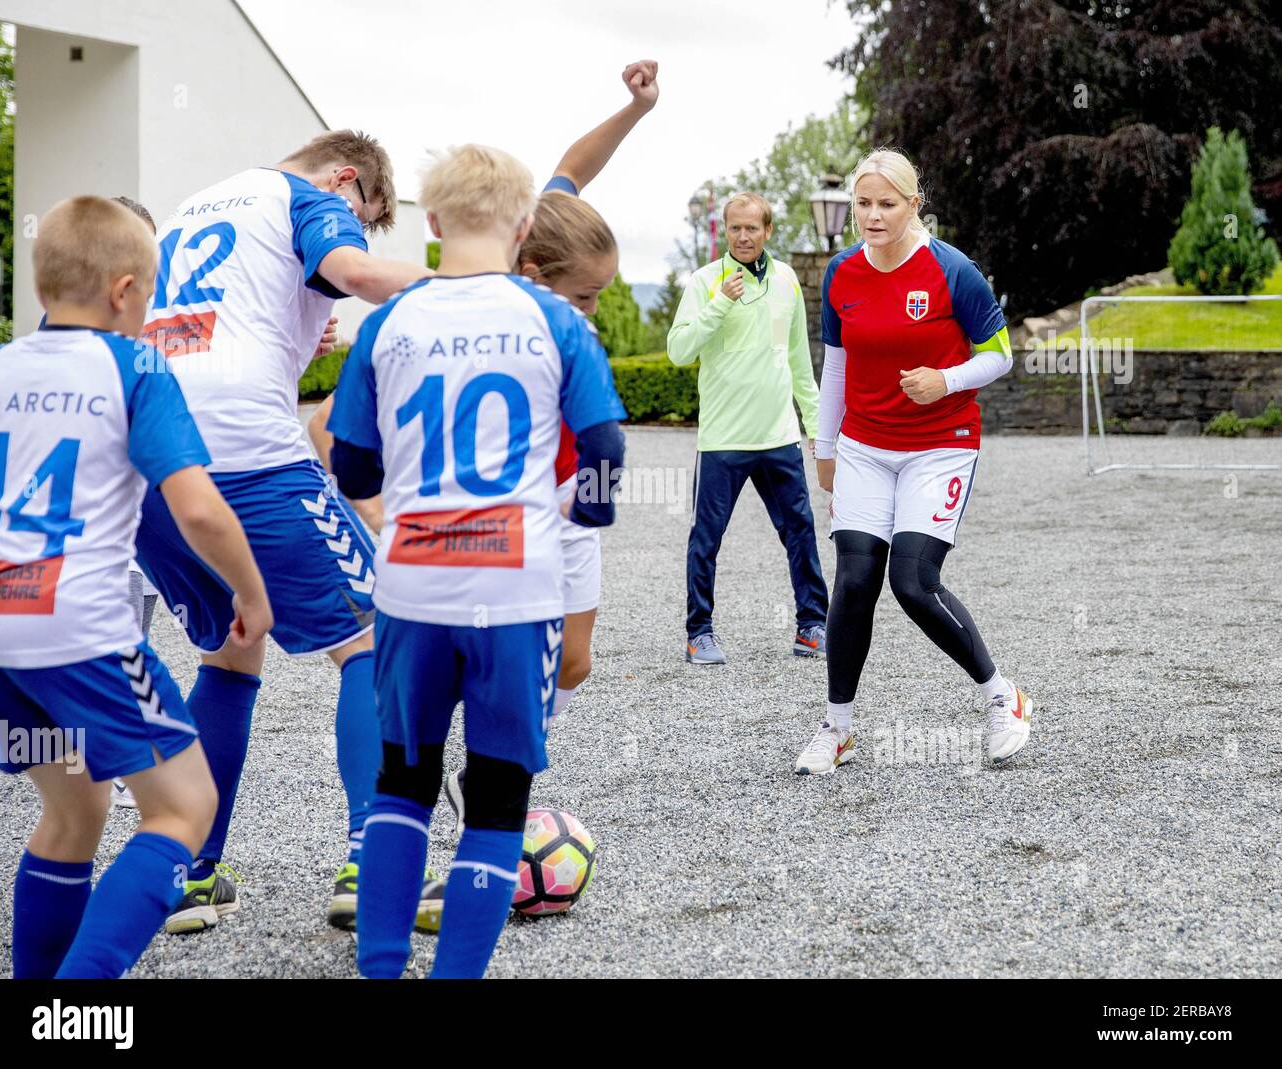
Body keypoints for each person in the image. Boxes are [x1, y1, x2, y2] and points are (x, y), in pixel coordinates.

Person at [307, 61, 659, 851]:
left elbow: (576, 162)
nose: (595, 312)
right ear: (528, 262)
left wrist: (635, 108)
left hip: (565, 517)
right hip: (497, 523)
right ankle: (484, 792)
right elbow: (330, 428)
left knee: (573, 666)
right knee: (475, 669)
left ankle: (491, 775)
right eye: (585, 299)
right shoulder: (489, 305)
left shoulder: (551, 227)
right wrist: (373, 507)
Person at [328, 143, 626, 979]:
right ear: (523, 225)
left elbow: (351, 468)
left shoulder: (390, 321)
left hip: (412, 587)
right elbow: (603, 447)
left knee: (403, 784)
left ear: (430, 223)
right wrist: (580, 508)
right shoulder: (555, 319)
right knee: (496, 800)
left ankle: (381, 967)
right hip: (516, 587)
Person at [133, 130, 429, 933]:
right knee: (376, 635)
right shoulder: (308, 198)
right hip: (244, 454)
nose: (355, 232)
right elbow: (362, 276)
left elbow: (216, 323)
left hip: (150, 464)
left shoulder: (195, 205)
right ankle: (376, 859)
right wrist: (475, 285)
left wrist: (303, 329)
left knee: (231, 648)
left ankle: (189, 872)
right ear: (345, 181)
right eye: (363, 215)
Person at [0, 196, 272, 976]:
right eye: (150, 290)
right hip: (80, 630)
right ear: (123, 291)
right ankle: (73, 1016)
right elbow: (199, 508)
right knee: (184, 806)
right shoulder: (137, 366)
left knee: (74, 810)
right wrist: (248, 592)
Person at [797, 148, 1033, 776]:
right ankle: (838, 728)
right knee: (853, 582)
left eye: (886, 204)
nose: (873, 217)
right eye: (863, 205)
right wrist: (825, 451)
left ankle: (1002, 696)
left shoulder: (952, 271)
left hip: (940, 443)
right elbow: (837, 369)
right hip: (864, 449)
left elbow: (1001, 355)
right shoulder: (842, 274)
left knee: (912, 583)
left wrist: (947, 379)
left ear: (913, 204)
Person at [667, 192, 827, 665]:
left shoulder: (786, 281)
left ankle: (812, 626)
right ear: (725, 229)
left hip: (779, 437)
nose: (743, 236)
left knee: (801, 531)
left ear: (768, 231)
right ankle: (700, 634)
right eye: (735, 228)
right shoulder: (704, 282)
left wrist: (815, 426)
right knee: (706, 540)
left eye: (752, 228)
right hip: (722, 441)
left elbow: (798, 360)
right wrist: (719, 303)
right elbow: (679, 349)